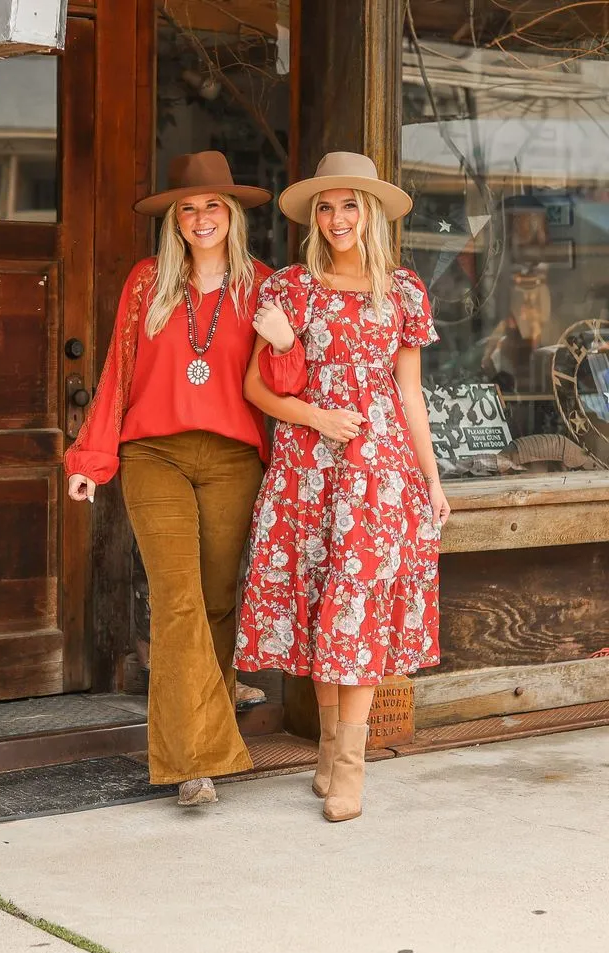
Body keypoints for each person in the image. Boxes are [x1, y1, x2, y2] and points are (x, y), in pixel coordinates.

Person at [234, 152, 451, 822]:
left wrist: (431, 477)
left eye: (350, 205)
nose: (337, 219)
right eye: (326, 207)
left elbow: (410, 395)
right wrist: (317, 416)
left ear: (372, 212)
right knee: (324, 607)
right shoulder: (291, 289)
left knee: (354, 608)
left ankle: (351, 769)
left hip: (378, 473)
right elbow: (256, 388)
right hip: (307, 467)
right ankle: (329, 754)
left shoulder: (404, 290)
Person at [65, 151, 274, 806]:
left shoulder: (264, 286)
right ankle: (195, 763)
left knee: (215, 603)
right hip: (153, 456)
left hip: (233, 460)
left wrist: (287, 340)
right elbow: (117, 375)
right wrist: (90, 461)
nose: (201, 217)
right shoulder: (146, 282)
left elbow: (281, 386)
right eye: (189, 208)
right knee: (178, 600)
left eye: (212, 206)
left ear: (231, 214)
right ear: (175, 220)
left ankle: (201, 738)